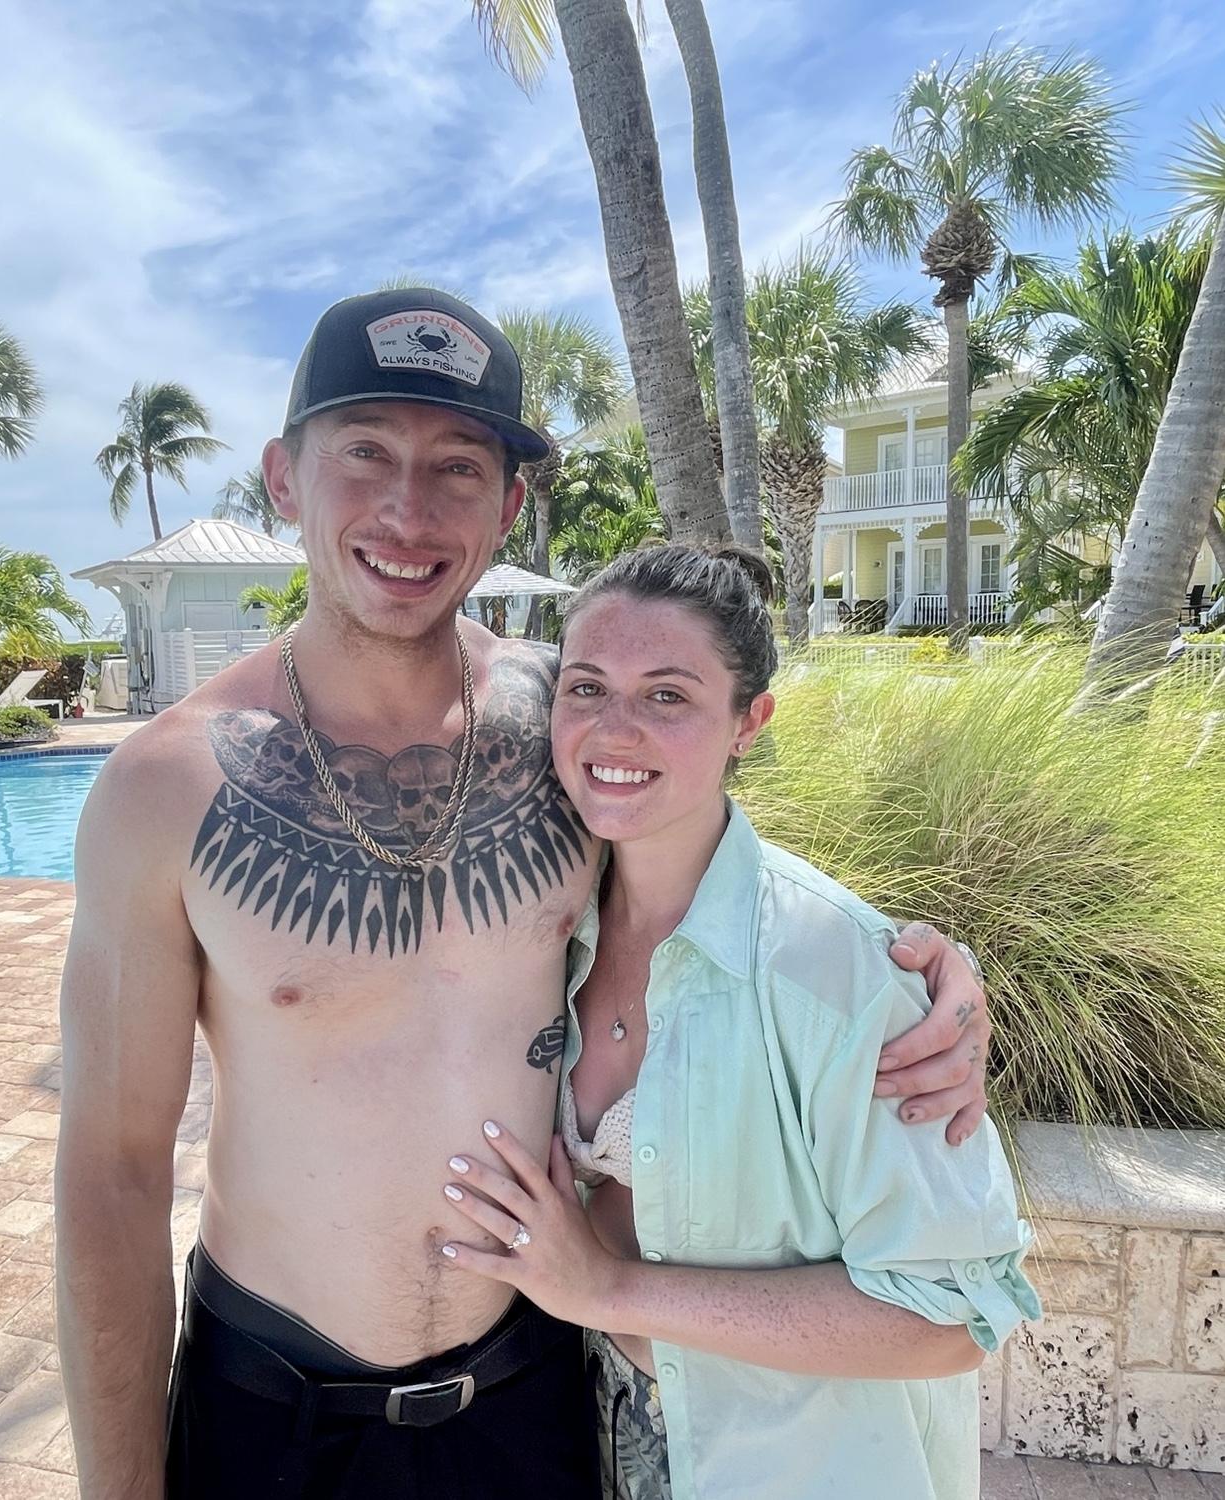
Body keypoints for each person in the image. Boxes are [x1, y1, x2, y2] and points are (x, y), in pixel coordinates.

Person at [54, 288, 994, 1500]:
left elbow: (726, 884)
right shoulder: (165, 788)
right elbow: (114, 1172)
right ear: (285, 478)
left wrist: (924, 972)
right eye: (365, 453)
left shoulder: (570, 718)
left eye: (458, 466)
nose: (408, 511)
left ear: (508, 507)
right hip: (277, 1409)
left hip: (534, 1389)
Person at [438, 544, 1038, 1500]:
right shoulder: (545, 932)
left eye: (668, 695)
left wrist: (606, 1289)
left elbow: (952, 1316)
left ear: (748, 722)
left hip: (792, 1465)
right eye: (587, 687)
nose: (615, 728)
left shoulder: (833, 971)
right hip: (592, 1431)